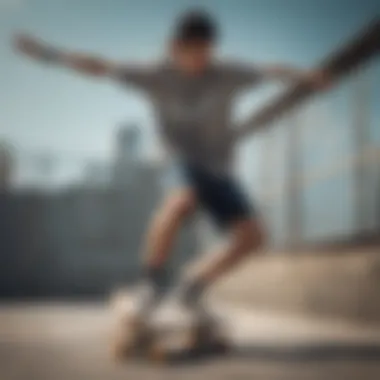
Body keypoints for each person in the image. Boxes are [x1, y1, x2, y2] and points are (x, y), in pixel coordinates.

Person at [14, 9, 329, 326]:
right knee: (182, 199)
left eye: (205, 53)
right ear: (173, 48)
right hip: (177, 159)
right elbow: (101, 68)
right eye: (191, 53)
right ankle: (151, 282)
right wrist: (48, 54)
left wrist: (307, 76)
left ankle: (192, 286)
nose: (199, 61)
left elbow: (271, 70)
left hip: (218, 169)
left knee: (253, 238)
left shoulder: (229, 72)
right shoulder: (155, 74)